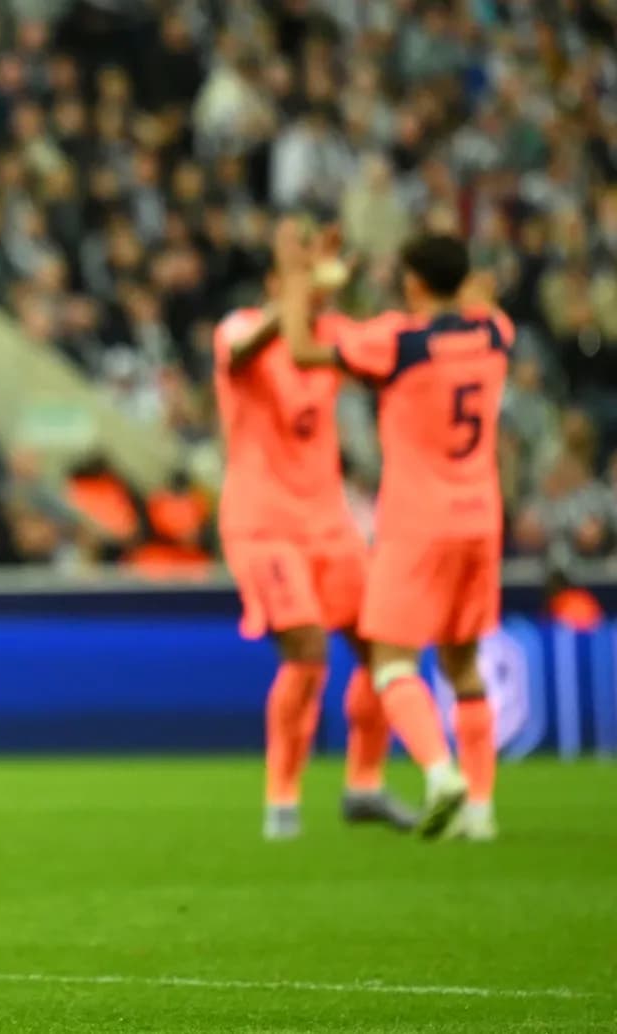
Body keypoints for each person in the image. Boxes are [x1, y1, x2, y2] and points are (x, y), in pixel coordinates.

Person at [282, 231, 511, 841]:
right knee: (463, 664)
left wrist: (301, 276)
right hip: (482, 518)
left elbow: (303, 349)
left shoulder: (397, 341)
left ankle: (440, 774)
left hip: (418, 521)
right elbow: (484, 302)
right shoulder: (496, 334)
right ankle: (481, 810)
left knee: (390, 660)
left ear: (412, 283)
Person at [210, 219, 415, 840]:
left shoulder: (328, 335)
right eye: (296, 276)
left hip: (329, 522)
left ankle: (364, 785)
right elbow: (243, 352)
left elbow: (387, 351)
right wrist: (297, 289)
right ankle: (282, 799)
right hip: (264, 524)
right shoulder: (240, 327)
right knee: (306, 654)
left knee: (387, 646)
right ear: (274, 284)